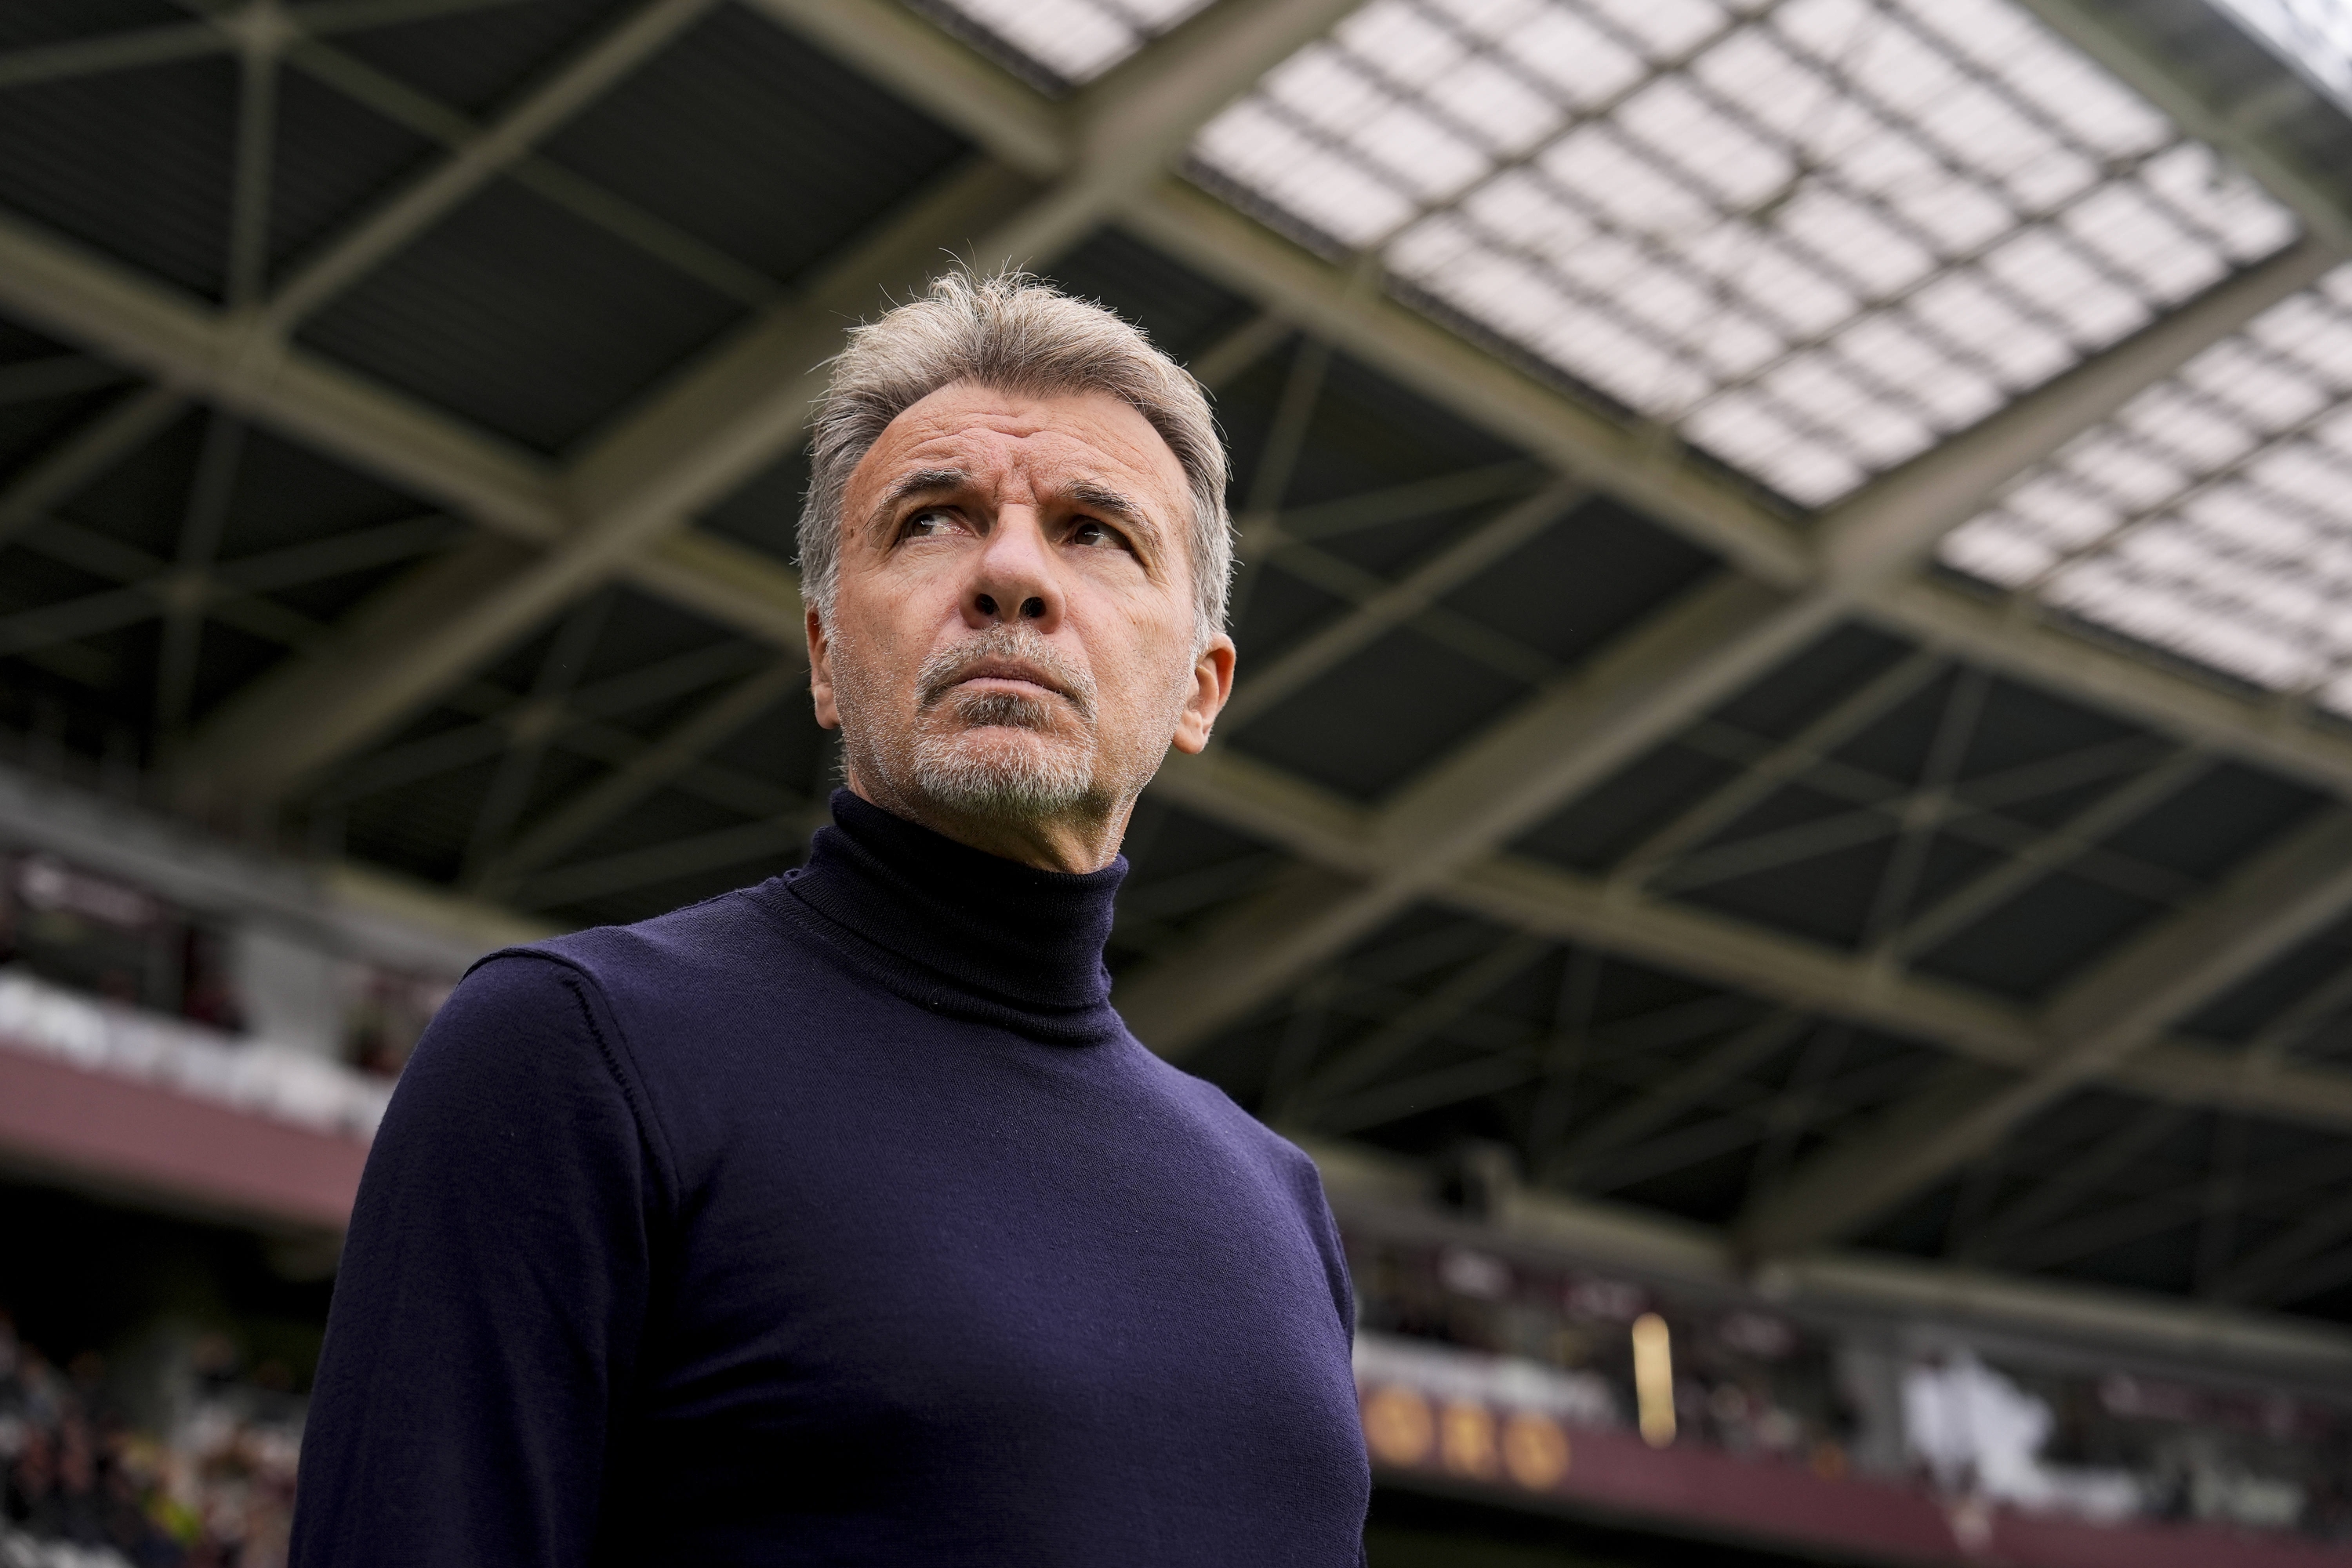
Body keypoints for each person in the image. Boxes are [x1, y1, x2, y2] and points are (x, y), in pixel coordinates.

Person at [288, 270, 1371, 1566]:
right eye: (933, 521)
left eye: (1095, 531)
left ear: (1201, 688)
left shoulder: (1278, 1204)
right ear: (821, 654)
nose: (1012, 574)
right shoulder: (572, 1057)